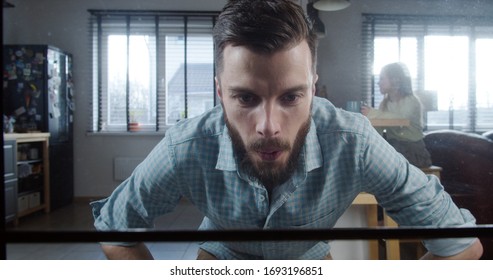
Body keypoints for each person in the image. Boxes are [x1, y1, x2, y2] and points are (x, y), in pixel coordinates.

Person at [91, 0, 482, 260]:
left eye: (292, 97)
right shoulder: (186, 145)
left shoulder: (354, 142)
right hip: (221, 255)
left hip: (307, 258)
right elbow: (114, 229)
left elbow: (463, 246)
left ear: (314, 88)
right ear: (219, 93)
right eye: (245, 99)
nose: (268, 127)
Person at [360, 62, 432, 168]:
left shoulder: (411, 100)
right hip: (396, 148)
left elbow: (400, 117)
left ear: (395, 80)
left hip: (414, 151)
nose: (378, 83)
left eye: (382, 79)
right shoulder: (385, 104)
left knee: (388, 155)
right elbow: (379, 128)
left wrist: (372, 113)